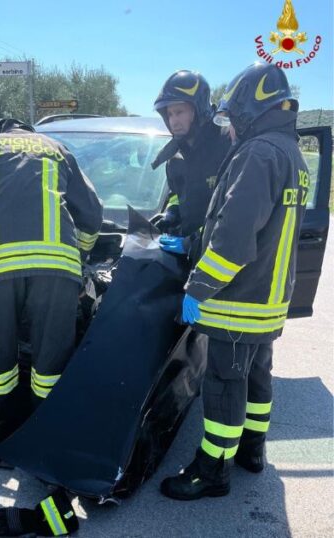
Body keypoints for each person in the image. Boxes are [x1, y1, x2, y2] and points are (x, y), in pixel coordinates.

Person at [160, 63, 309, 500]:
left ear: (247, 108)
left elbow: (233, 239)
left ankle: (211, 472)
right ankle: (252, 450)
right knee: (257, 376)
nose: (228, 126)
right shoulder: (291, 154)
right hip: (269, 301)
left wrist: (197, 287)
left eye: (232, 116)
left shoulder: (257, 154)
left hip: (238, 301)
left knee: (224, 385)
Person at [0, 118, 103, 443]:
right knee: (51, 360)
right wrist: (82, 254)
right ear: (30, 132)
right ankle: (45, 433)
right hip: (56, 269)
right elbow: (92, 215)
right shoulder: (57, 149)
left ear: (0, 133)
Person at [150, 70, 231, 257]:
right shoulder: (175, 156)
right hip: (189, 253)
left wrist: (192, 242)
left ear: (198, 109)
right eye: (169, 114)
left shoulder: (227, 145)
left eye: (179, 112)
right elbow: (176, 193)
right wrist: (171, 212)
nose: (173, 121)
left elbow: (235, 214)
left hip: (220, 256)